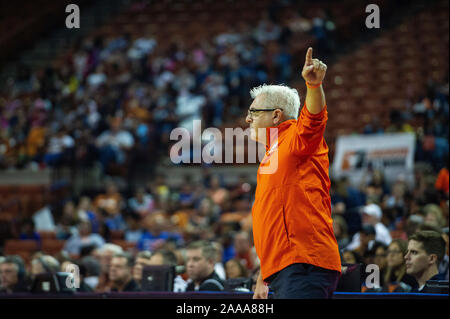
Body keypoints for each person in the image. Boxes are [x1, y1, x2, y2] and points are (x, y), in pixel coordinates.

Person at [248, 48, 341, 299]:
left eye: (253, 112)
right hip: (283, 268)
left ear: (276, 115)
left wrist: (314, 85)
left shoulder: (296, 138)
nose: (247, 119)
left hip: (305, 264)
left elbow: (314, 119)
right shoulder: (272, 153)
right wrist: (264, 275)